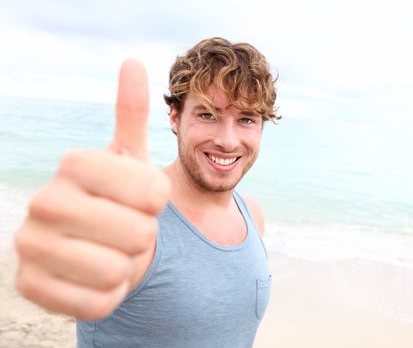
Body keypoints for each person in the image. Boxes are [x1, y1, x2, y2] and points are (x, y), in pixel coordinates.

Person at [14, 37, 279, 347]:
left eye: (246, 119)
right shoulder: (136, 223)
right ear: (175, 117)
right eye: (208, 115)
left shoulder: (252, 214)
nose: (228, 141)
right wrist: (55, 257)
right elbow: (85, 260)